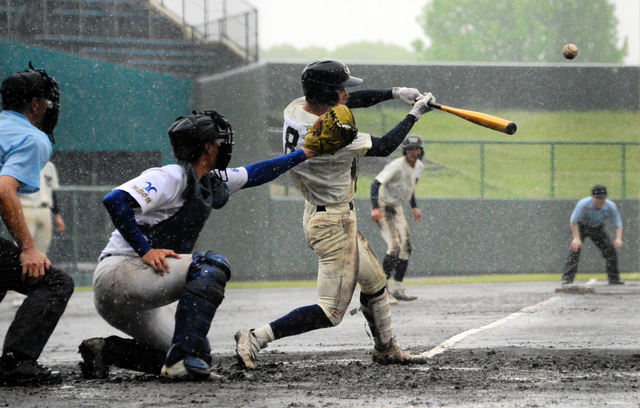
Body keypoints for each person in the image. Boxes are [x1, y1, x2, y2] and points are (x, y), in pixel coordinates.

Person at [78, 109, 322, 381]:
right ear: (207, 147)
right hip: (119, 274)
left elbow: (255, 173)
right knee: (211, 266)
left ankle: (105, 350)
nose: (224, 145)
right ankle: (181, 359)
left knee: (197, 354)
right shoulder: (171, 176)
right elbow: (115, 200)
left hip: (140, 290)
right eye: (220, 140)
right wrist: (145, 250)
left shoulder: (208, 178)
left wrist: (304, 153)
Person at [234, 58, 435, 370]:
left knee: (375, 282)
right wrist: (414, 114)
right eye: (340, 89)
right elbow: (384, 146)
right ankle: (256, 336)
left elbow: (350, 99)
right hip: (332, 222)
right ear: (327, 95)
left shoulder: (297, 107)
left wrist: (395, 93)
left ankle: (386, 347)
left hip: (326, 212)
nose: (346, 94)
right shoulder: (335, 137)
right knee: (330, 311)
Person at [0, 64, 74, 385]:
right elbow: (3, 190)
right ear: (34, 104)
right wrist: (28, 249)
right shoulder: (33, 138)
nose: (49, 108)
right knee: (54, 282)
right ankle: (18, 363)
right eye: (47, 102)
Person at [371, 134, 424, 303]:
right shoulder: (397, 165)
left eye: (416, 149)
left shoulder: (419, 166)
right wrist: (375, 208)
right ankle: (383, 290)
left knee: (406, 248)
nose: (413, 152)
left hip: (398, 208)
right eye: (409, 149)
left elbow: (410, 187)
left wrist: (414, 206)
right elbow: (375, 183)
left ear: (421, 150)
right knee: (394, 247)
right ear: (405, 151)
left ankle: (398, 288)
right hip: (385, 206)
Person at [11, 161, 66, 308]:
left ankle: (36, 292)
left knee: (41, 253)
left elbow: (53, 193)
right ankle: (19, 293)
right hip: (25, 208)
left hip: (45, 209)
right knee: (23, 252)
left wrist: (57, 215)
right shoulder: (22, 160)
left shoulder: (49, 165)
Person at [561, 185, 624, 285]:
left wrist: (618, 238)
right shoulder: (583, 204)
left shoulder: (610, 206)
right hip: (581, 227)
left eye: (602, 198)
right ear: (593, 198)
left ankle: (614, 279)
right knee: (575, 250)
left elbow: (618, 224)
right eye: (597, 198)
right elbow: (573, 221)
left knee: (610, 251)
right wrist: (576, 238)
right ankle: (567, 279)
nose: (600, 201)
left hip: (597, 228)